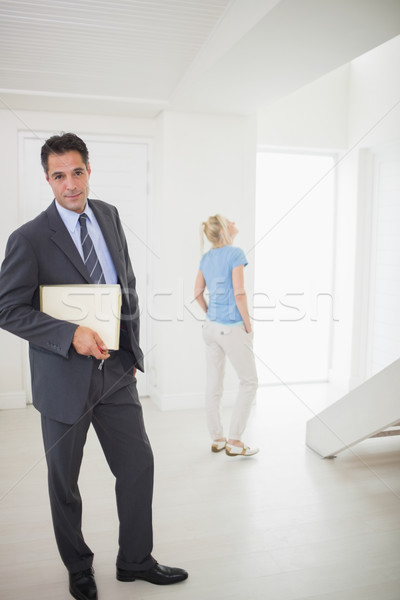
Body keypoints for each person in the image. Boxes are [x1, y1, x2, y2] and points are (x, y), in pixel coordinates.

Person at [0, 133, 188, 600]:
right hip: (63, 379)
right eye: (59, 175)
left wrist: (133, 351)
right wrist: (70, 335)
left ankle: (135, 561)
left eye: (77, 172)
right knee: (65, 479)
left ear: (88, 170)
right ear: (47, 179)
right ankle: (78, 566)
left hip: (116, 370)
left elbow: (127, 283)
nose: (70, 184)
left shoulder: (109, 215)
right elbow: (7, 307)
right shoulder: (27, 238)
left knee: (138, 465)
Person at [194, 215, 259, 457]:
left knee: (214, 385)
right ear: (224, 229)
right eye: (230, 220)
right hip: (231, 328)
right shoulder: (235, 254)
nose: (235, 222)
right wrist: (247, 323)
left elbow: (197, 292)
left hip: (210, 329)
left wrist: (211, 313)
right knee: (249, 382)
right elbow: (239, 293)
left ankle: (218, 439)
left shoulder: (206, 257)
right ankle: (235, 441)